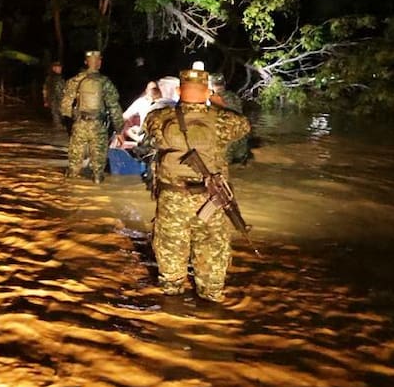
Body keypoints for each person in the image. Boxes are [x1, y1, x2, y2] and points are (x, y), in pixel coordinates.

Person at [142, 67, 251, 303]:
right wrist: (219, 104)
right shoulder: (224, 120)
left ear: (179, 90)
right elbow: (244, 125)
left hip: (172, 199)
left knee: (170, 267)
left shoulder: (159, 118)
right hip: (211, 200)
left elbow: (149, 128)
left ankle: (171, 305)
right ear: (207, 92)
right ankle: (210, 302)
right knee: (212, 260)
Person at [60, 50, 123, 183]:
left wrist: (72, 122)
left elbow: (65, 106)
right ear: (99, 63)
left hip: (80, 124)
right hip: (98, 126)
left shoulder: (75, 80)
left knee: (74, 167)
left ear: (85, 62)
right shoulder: (105, 82)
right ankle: (97, 179)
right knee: (98, 169)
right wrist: (119, 130)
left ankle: (70, 183)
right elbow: (114, 108)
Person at [209, 74, 251, 164]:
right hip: (241, 138)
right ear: (224, 83)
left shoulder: (214, 98)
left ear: (211, 85)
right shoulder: (234, 96)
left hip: (227, 137)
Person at [42, 61, 67, 131]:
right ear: (54, 68)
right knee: (57, 115)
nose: (60, 69)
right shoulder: (52, 78)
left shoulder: (57, 78)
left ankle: (59, 127)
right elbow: (45, 90)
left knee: (59, 115)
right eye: (59, 67)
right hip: (55, 100)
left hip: (58, 100)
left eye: (60, 67)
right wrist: (46, 100)